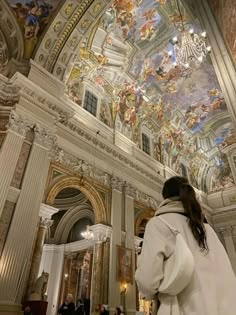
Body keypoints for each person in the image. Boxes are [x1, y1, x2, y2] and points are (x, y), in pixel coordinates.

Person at [135, 176, 236, 315]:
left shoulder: (158, 223)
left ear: (165, 196)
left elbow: (147, 281)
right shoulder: (207, 230)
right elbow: (227, 275)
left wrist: (149, 294)